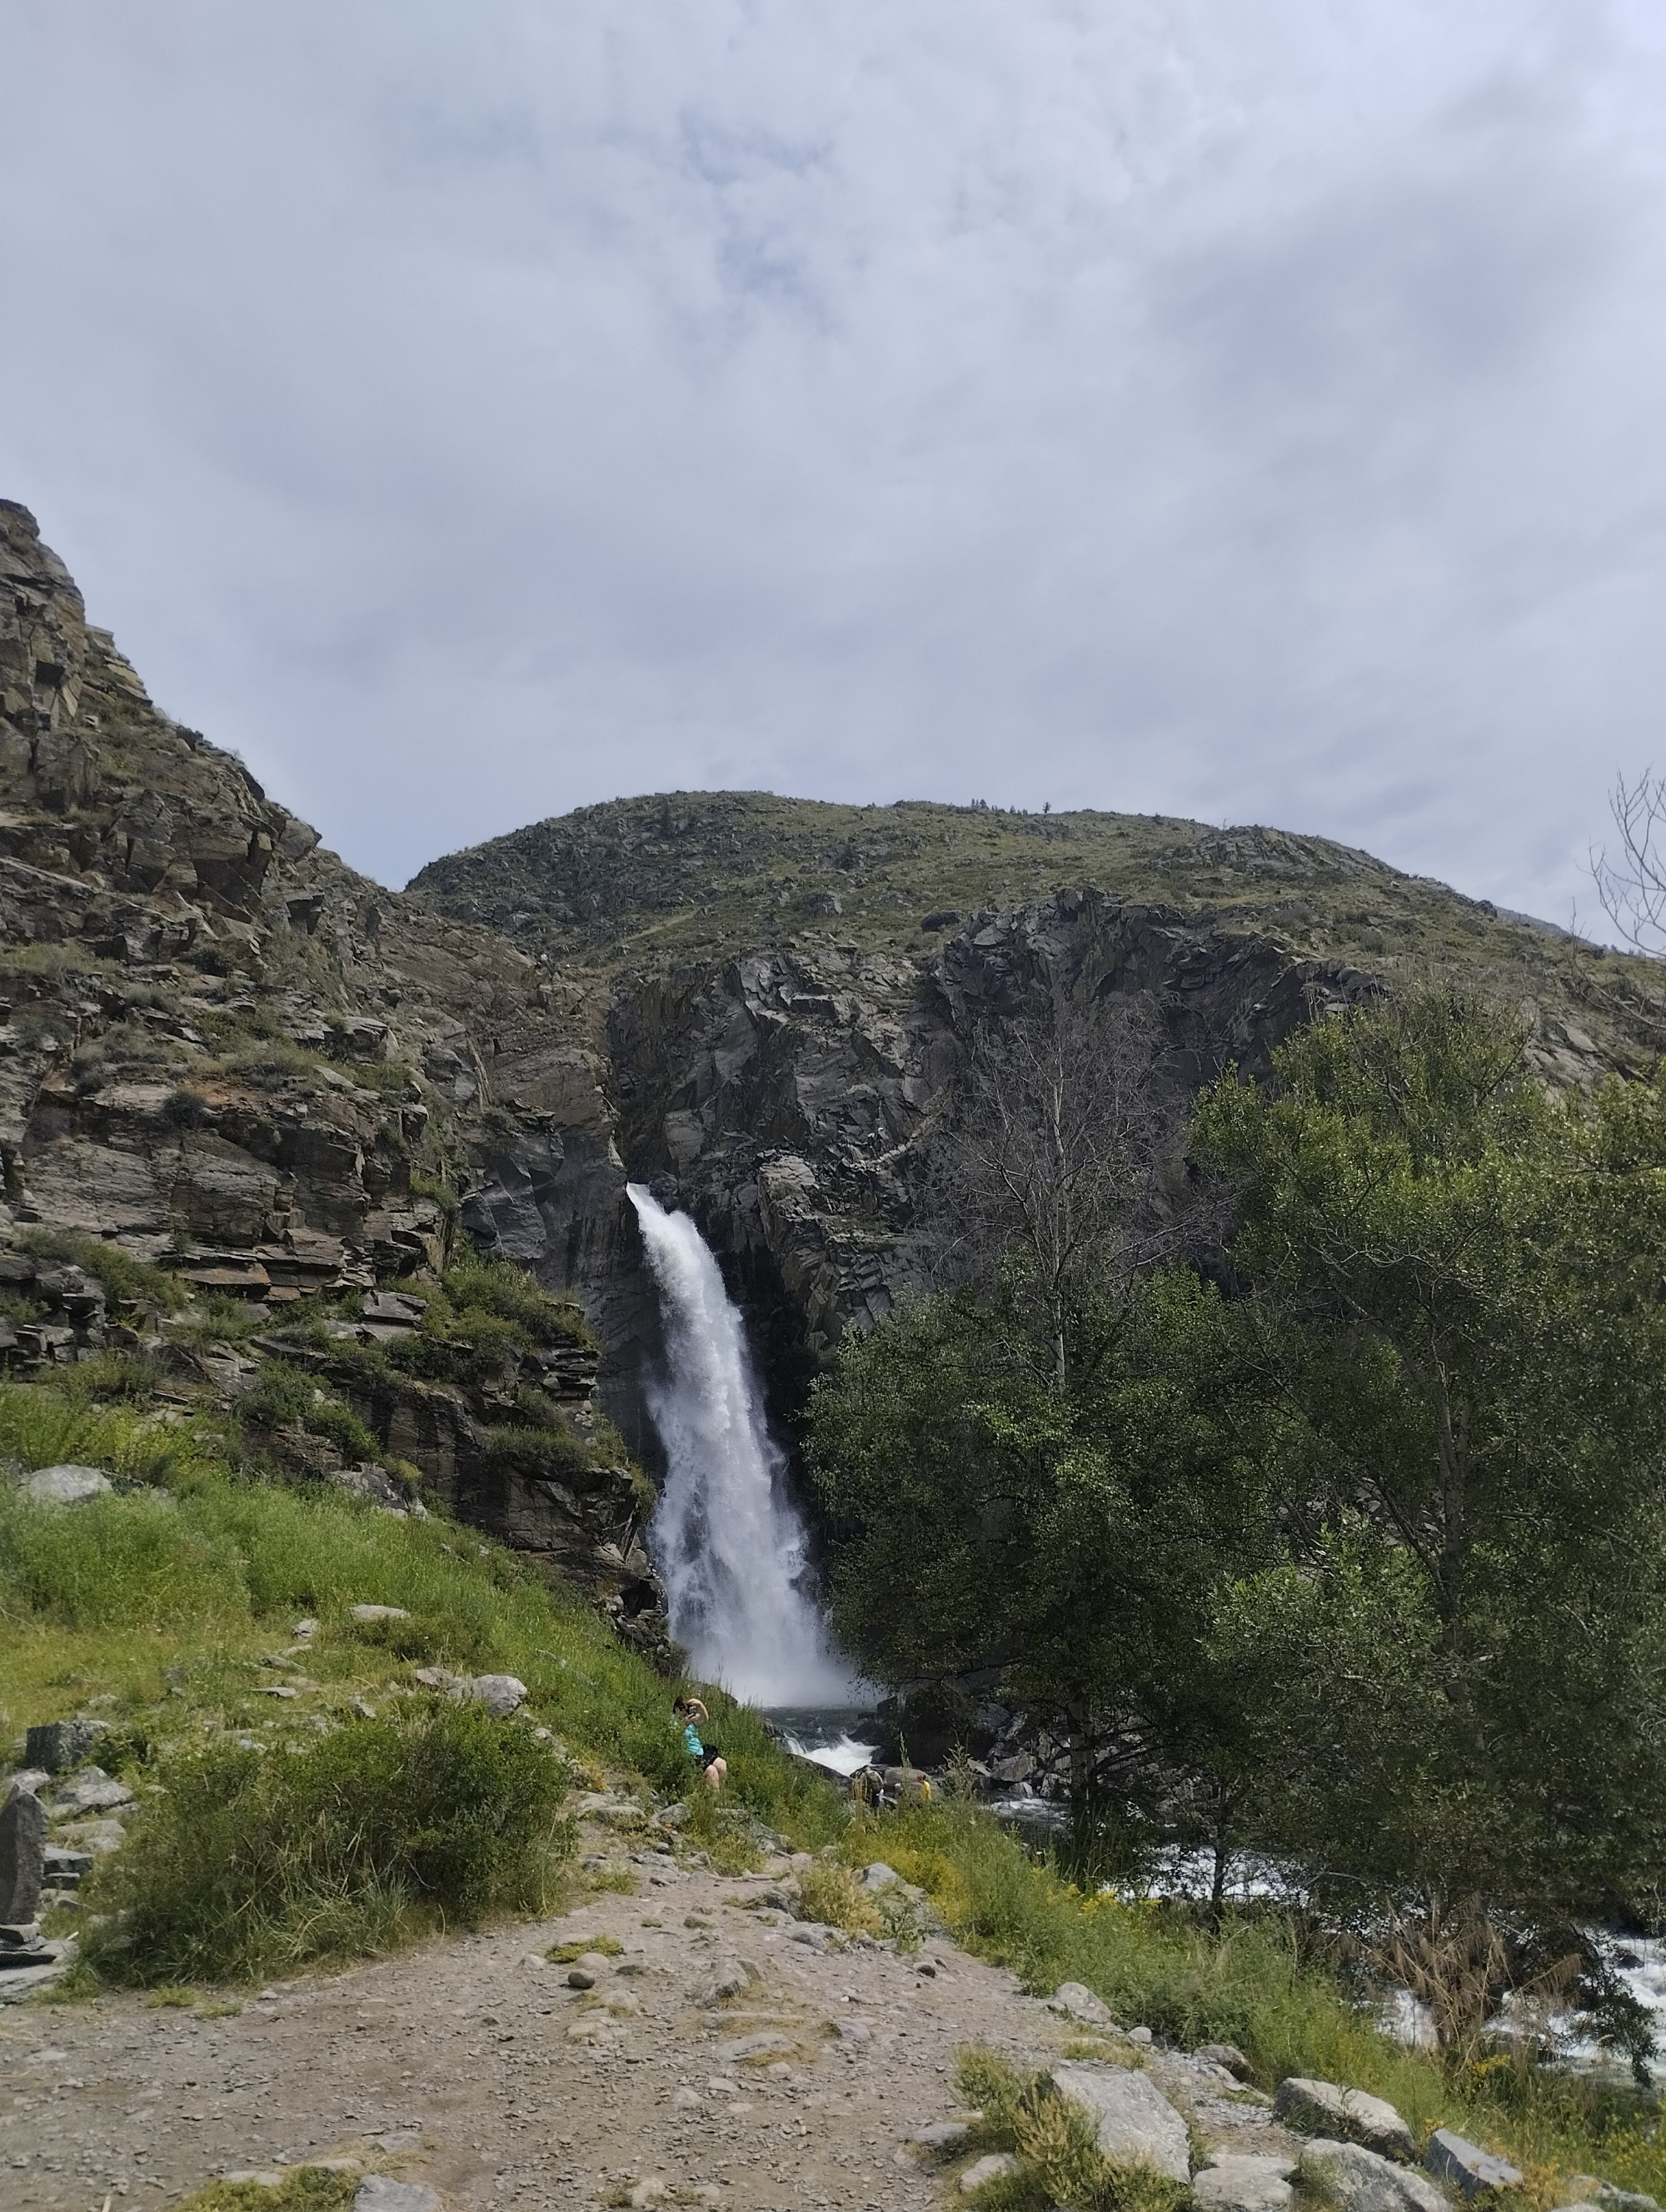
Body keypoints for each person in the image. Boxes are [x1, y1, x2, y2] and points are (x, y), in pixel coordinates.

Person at [674, 1695, 728, 1792]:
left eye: (686, 1709)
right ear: (676, 1708)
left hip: (700, 1751)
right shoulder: (673, 1721)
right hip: (688, 1753)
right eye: (681, 1709)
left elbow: (705, 1719)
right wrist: (683, 1725)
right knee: (712, 1771)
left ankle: (721, 1793)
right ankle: (714, 1801)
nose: (683, 1712)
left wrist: (700, 1705)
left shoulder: (692, 1722)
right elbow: (673, 1738)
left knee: (722, 1765)